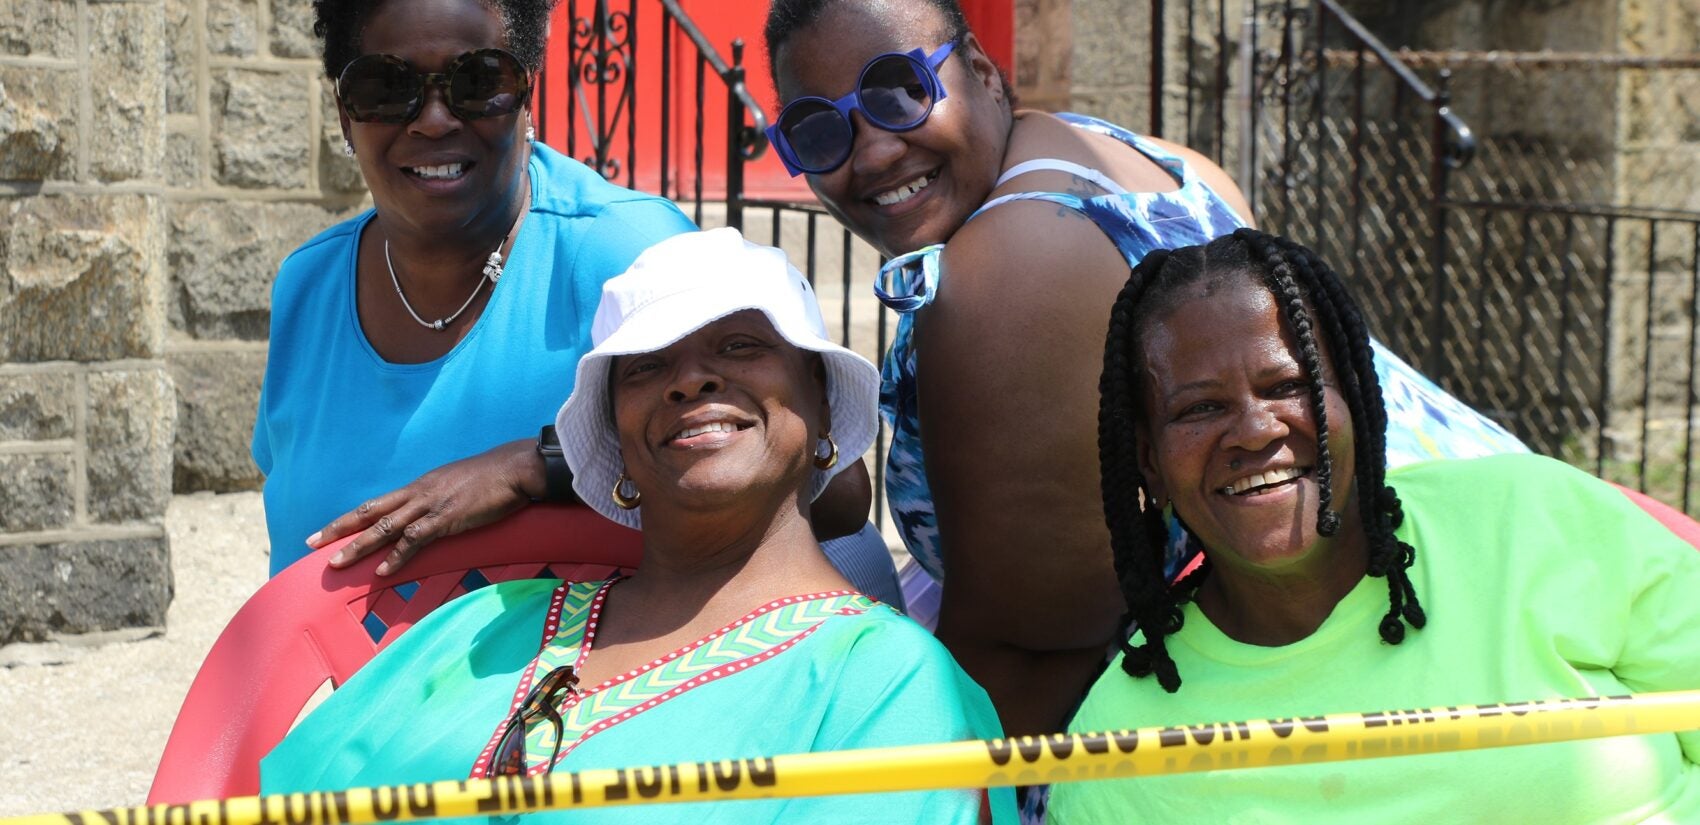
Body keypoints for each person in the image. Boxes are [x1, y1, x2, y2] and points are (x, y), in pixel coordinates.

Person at [764, 0, 1526, 735]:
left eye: (899, 89)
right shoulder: (1126, 154)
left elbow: (1032, 657)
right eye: (817, 129)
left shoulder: (1014, 274)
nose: (873, 151)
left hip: (1434, 655)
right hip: (1470, 575)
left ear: (982, 71)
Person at [261, 229, 1017, 824]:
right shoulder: (480, 631)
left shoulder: (890, 685)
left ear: (820, 403)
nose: (691, 378)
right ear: (616, 438)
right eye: (647, 365)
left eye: (741, 344)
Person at [256, 0, 902, 607]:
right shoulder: (309, 285)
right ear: (344, 114)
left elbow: (837, 490)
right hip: (353, 701)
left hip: (585, 703)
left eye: (478, 80)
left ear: (528, 93)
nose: (433, 119)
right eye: (385, 87)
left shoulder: (628, 252)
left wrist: (538, 464)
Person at [1047, 229, 1700, 822]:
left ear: (1356, 396)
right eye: (1201, 407)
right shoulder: (1123, 746)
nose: (1254, 429)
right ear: (1149, 464)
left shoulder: (1535, 515)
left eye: (1287, 386)